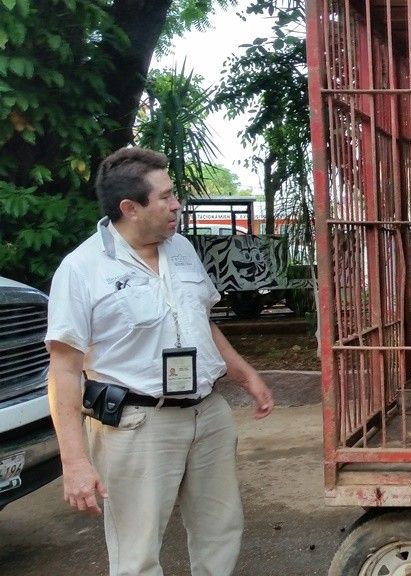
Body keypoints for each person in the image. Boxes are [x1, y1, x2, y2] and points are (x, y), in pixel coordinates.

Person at [45, 147, 274, 576]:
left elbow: (201, 319)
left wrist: (244, 375)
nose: (177, 206)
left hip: (207, 414)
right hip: (137, 425)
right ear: (129, 208)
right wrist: (74, 462)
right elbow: (63, 369)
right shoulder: (81, 269)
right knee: (137, 552)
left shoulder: (181, 248)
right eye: (166, 197)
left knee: (220, 531)